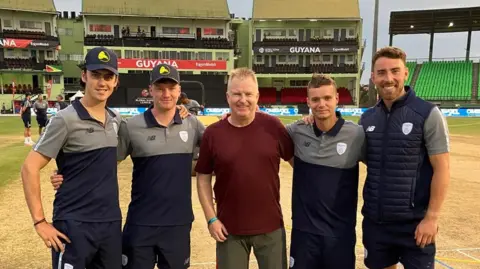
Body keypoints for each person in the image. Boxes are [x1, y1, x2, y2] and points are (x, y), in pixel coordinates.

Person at [21, 46, 124, 269]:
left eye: (108, 76)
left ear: (116, 81)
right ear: (84, 75)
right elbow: (29, 167)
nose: (102, 82)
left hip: (110, 225)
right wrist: (39, 222)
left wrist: (181, 111)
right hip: (73, 225)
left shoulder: (116, 119)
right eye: (96, 75)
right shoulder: (64, 119)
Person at [360, 46, 450, 269]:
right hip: (376, 223)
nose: (388, 78)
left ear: (405, 73)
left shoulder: (427, 113)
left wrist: (431, 218)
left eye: (394, 71)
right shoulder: (367, 119)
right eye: (381, 73)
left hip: (415, 226)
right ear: (373, 77)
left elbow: (442, 169)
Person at [195, 67, 294, 269]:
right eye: (237, 94)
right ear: (228, 96)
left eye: (248, 94)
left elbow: (297, 164)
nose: (243, 100)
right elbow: (203, 177)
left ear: (257, 96)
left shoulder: (273, 127)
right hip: (228, 231)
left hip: (271, 228)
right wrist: (211, 218)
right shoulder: (213, 134)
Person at [115, 64, 204, 269]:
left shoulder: (192, 124)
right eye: (160, 88)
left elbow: (220, 151)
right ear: (150, 90)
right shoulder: (131, 126)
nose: (166, 93)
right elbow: (107, 163)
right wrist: (69, 174)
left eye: (171, 88)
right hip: (141, 223)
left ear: (179, 90)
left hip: (178, 224)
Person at [287, 74, 365, 269]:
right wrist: (230, 116)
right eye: (315, 99)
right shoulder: (297, 131)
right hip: (304, 233)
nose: (321, 104)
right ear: (308, 102)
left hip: (340, 234)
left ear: (337, 98)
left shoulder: (356, 135)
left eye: (327, 98)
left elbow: (379, 167)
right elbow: (266, 131)